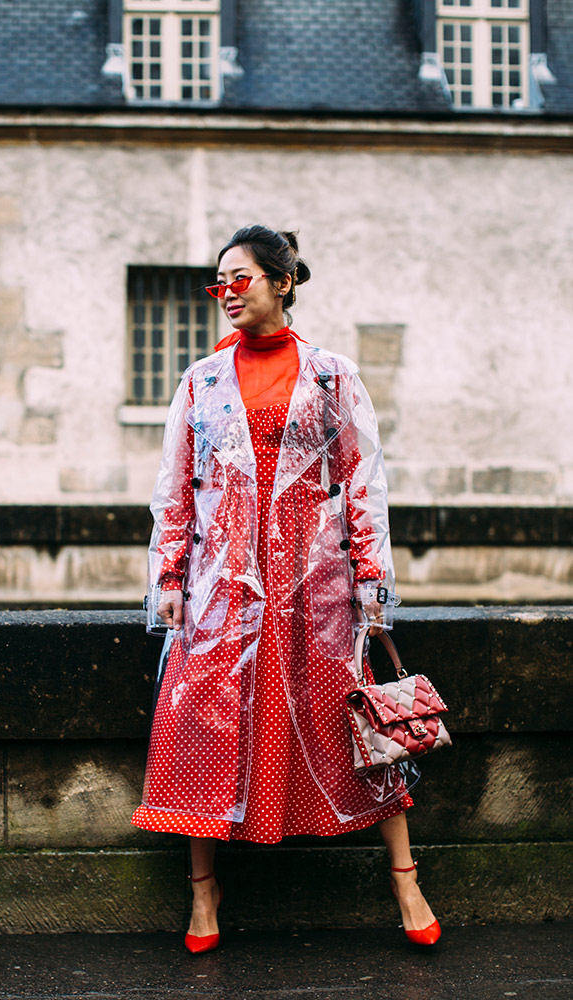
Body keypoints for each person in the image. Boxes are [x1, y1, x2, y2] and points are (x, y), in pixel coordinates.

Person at [132, 225, 440, 952]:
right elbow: (174, 490)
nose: (225, 294)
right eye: (218, 283)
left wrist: (372, 578)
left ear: (282, 282)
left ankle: (405, 880)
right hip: (220, 588)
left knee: (357, 724)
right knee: (202, 725)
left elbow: (362, 480)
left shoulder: (332, 375)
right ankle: (203, 897)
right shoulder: (200, 381)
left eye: (238, 278)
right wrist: (167, 578)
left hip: (316, 585)